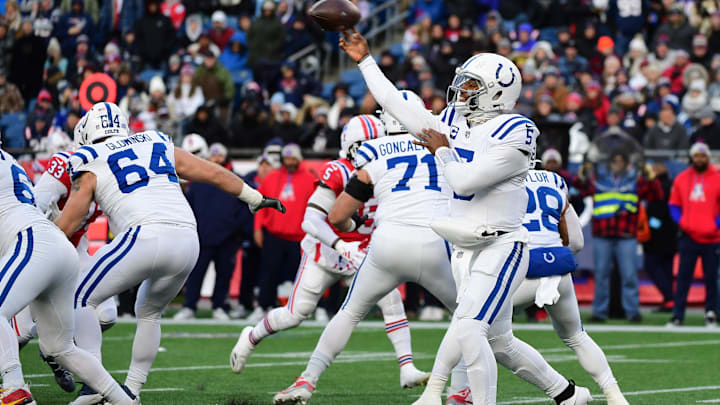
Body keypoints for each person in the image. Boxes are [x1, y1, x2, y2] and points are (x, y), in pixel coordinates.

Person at [335, 29, 592, 405]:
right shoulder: (455, 120)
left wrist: (442, 151)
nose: (462, 93)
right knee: (500, 342)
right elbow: (395, 103)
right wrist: (365, 61)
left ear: (498, 91)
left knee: (470, 330)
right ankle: (568, 394)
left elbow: (466, 182)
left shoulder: (516, 131)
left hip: (501, 244)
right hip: (463, 249)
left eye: (472, 86)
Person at [55, 102, 285, 403]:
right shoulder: (155, 140)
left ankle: (96, 385)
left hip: (144, 234)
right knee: (149, 311)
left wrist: (35, 243)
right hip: (188, 238)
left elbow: (68, 223)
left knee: (79, 297)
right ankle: (133, 390)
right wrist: (253, 197)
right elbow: (211, 172)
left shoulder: (89, 158)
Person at [272, 92, 460, 405]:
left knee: (348, 313)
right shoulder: (445, 146)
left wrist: (352, 229)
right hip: (433, 242)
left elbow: (336, 215)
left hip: (386, 245)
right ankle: (451, 389)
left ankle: (307, 379)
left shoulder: (373, 151)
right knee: (471, 317)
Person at [231, 113, 429, 389]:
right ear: (354, 147)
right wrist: (339, 244)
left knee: (391, 300)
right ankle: (251, 336)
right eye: (372, 143)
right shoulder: (338, 170)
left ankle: (407, 367)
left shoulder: (388, 170)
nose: (379, 149)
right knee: (295, 314)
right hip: (325, 251)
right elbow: (310, 220)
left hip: (361, 251)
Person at [447, 169, 630, 405]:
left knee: (474, 325)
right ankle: (615, 395)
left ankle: (459, 390)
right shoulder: (555, 181)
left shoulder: (496, 178)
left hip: (519, 265)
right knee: (577, 337)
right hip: (556, 264)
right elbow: (576, 241)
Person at [0, 144, 139, 405]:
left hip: (33, 241)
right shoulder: (10, 162)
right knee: (61, 348)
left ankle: (13, 386)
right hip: (61, 247)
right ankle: (124, 401)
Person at [576, 150, 663, 322]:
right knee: (601, 275)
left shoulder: (633, 181)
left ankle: (632, 312)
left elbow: (656, 194)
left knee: (629, 275)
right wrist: (583, 172)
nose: (617, 164)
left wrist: (651, 176)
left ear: (625, 164)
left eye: (620, 161)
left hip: (626, 234)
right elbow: (580, 189)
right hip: (603, 233)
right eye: (614, 161)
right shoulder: (600, 180)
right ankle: (599, 312)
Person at [174, 139, 246, 321]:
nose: (217, 159)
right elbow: (188, 207)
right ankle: (189, 306)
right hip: (202, 237)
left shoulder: (235, 180)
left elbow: (243, 208)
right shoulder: (198, 182)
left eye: (220, 155)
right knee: (196, 274)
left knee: (224, 276)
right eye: (214, 155)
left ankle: (219, 306)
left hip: (227, 239)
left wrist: (236, 232)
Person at [250, 143, 316, 322]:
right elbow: (260, 203)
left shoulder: (310, 180)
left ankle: (302, 308)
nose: (289, 162)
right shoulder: (271, 178)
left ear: (299, 159)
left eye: (293, 158)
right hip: (275, 234)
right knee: (268, 272)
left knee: (303, 275)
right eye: (286, 158)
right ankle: (263, 305)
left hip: (299, 236)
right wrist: (257, 228)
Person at [668, 142, 720, 327]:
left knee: (711, 278)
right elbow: (674, 204)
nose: (700, 159)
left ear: (708, 158)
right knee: (683, 278)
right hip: (688, 236)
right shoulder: (682, 178)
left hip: (712, 238)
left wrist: (716, 225)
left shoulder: (717, 178)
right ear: (692, 158)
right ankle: (678, 315)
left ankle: (712, 312)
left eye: (703, 156)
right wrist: (682, 222)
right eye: (697, 156)